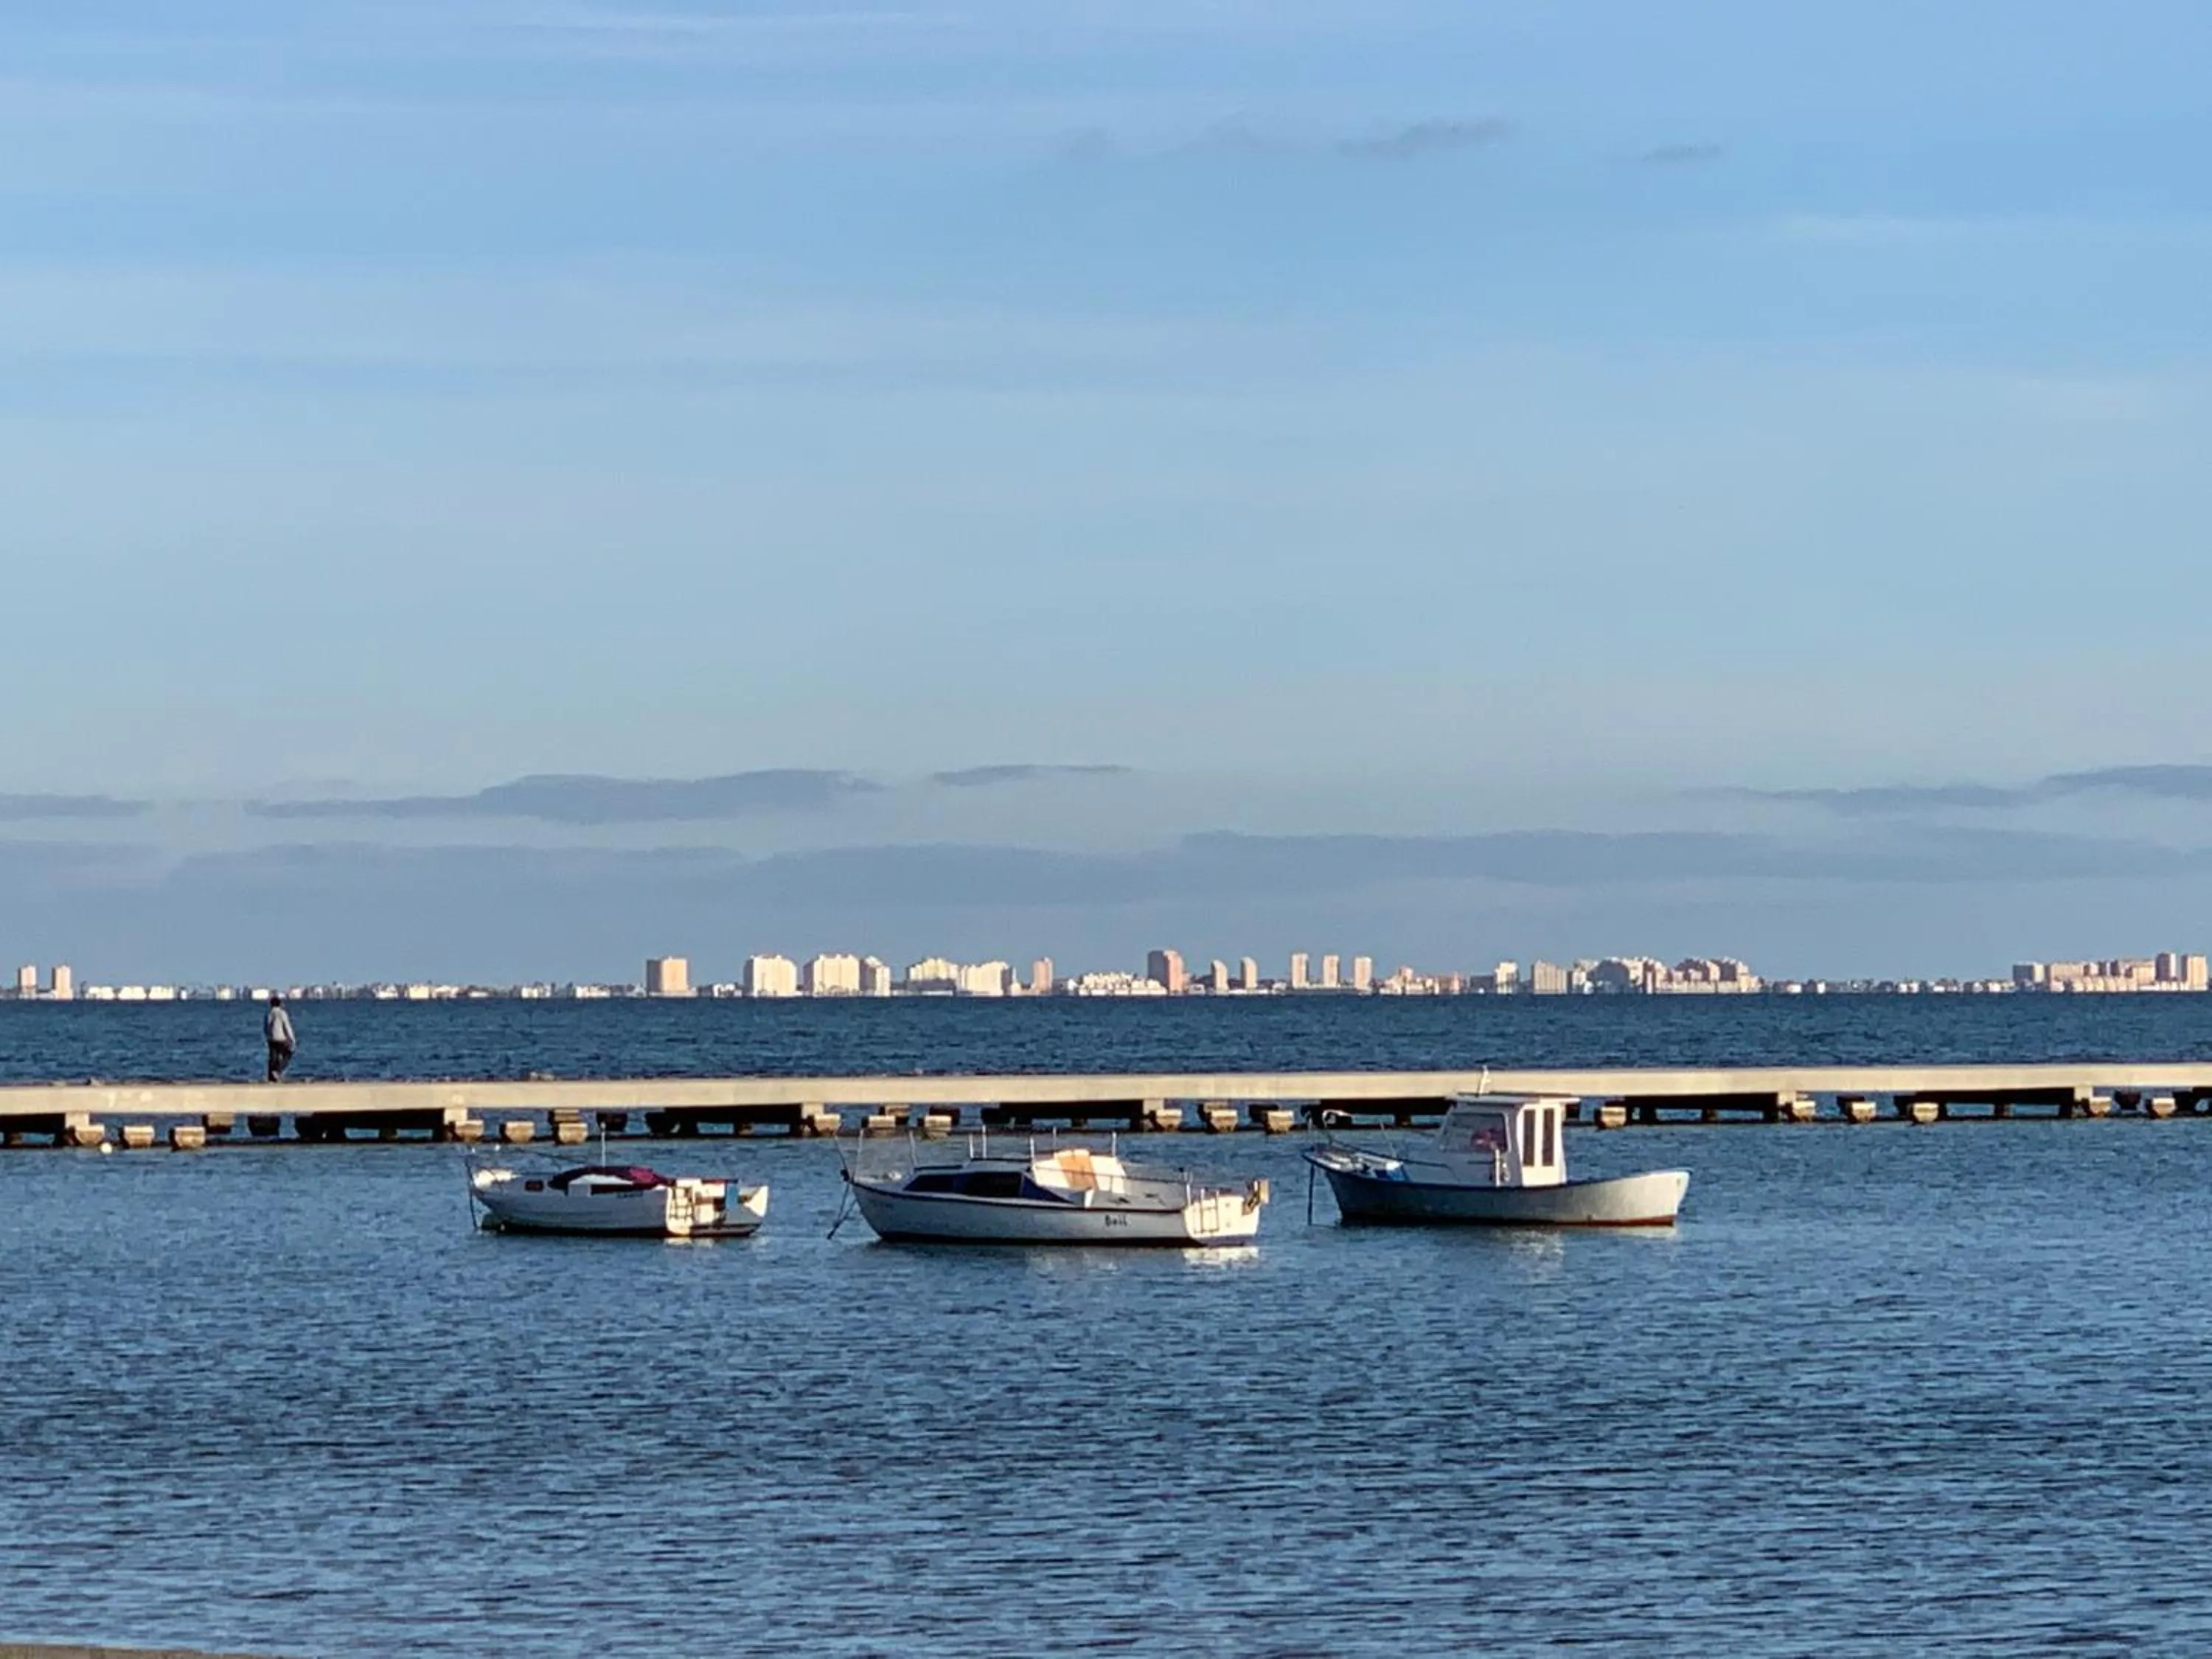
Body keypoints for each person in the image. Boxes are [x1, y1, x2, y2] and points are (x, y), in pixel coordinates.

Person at [264, 993, 297, 1082]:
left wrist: (268, 1036)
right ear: (280, 1004)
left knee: (272, 1058)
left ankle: (271, 1077)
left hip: (271, 1039)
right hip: (281, 1038)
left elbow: (266, 1028)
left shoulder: (269, 1014)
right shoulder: (282, 1013)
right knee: (287, 1054)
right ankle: (278, 1071)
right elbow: (287, 1026)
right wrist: (292, 1039)